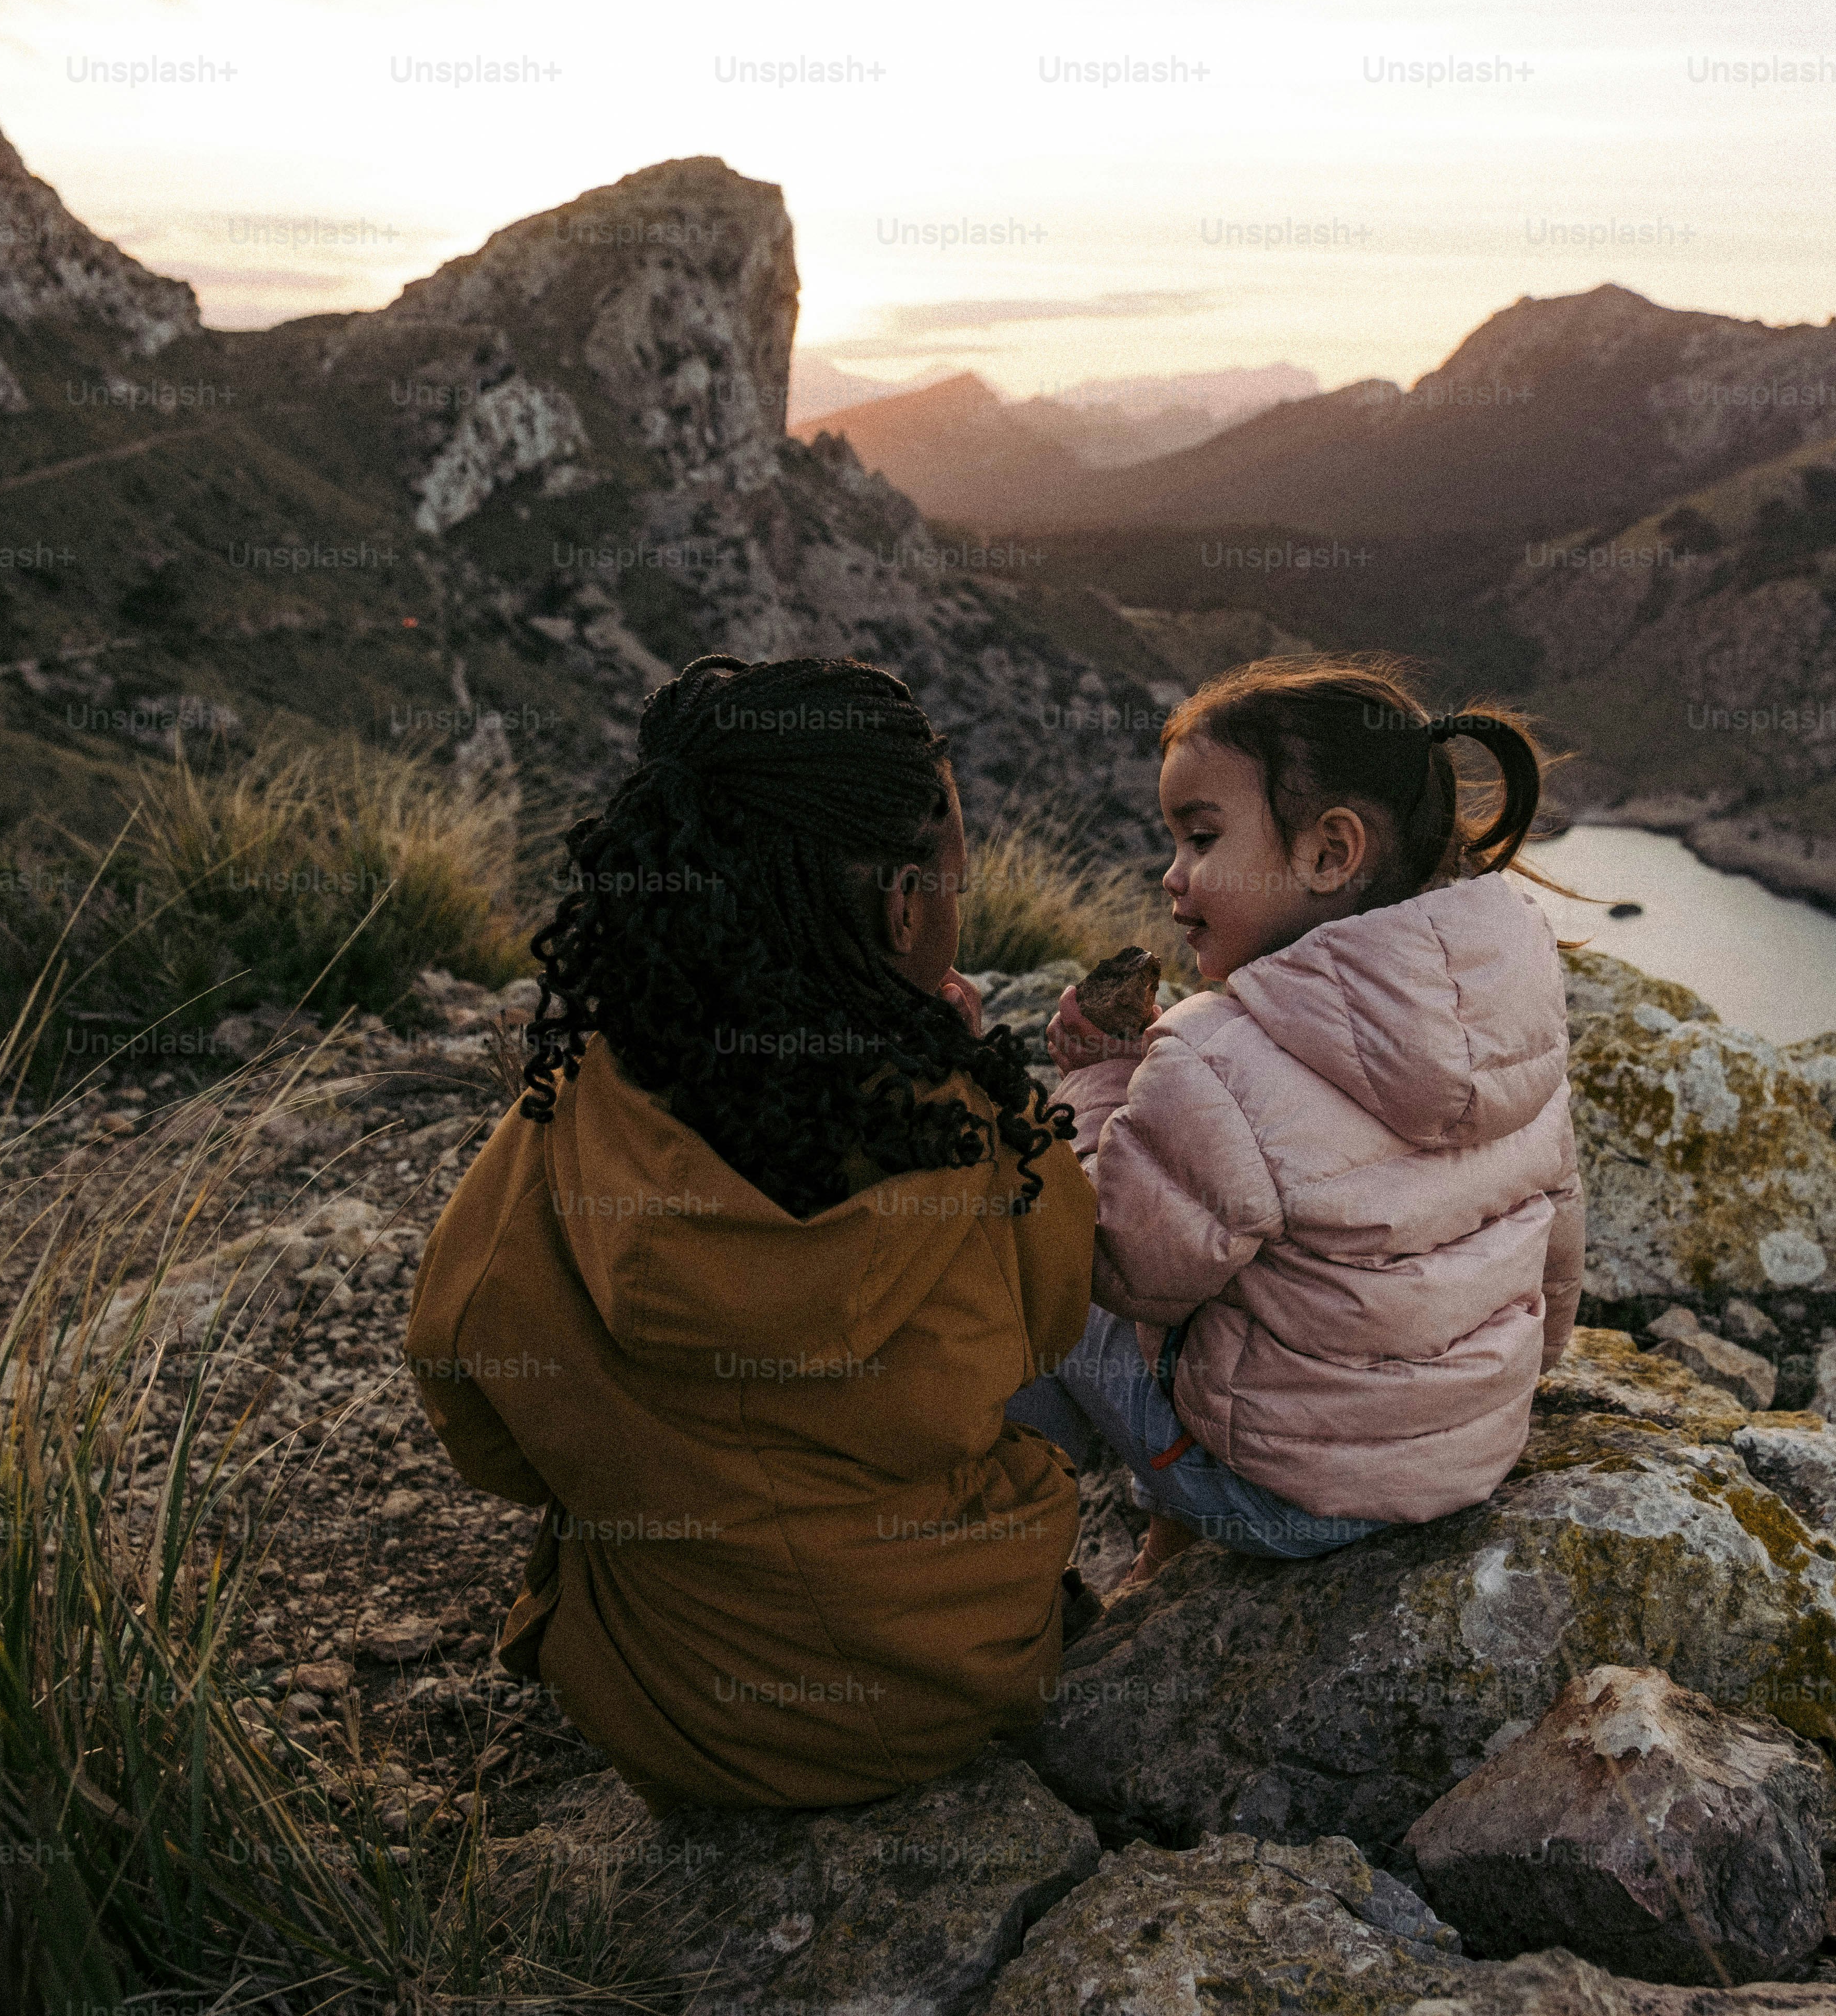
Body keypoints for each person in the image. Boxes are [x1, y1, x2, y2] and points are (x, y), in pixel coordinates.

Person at [404, 654, 1094, 1810]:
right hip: (952, 1675)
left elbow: (471, 1402)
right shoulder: (979, 1132)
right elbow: (1053, 1324)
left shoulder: (571, 1122)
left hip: (678, 1713)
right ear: (903, 906)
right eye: (954, 879)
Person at [1006, 653, 1585, 1595]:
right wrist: (1498, 1396)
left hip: (1284, 1502)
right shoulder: (1513, 1017)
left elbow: (1117, 1270)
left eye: (1200, 839)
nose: (1171, 876)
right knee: (1266, 1273)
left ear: (1330, 853)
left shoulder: (1217, 1060)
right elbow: (1557, 1238)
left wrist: (1102, 1084)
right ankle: (1162, 1549)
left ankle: (1009, 1569)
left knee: (1027, 1292)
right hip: (1468, 1458)